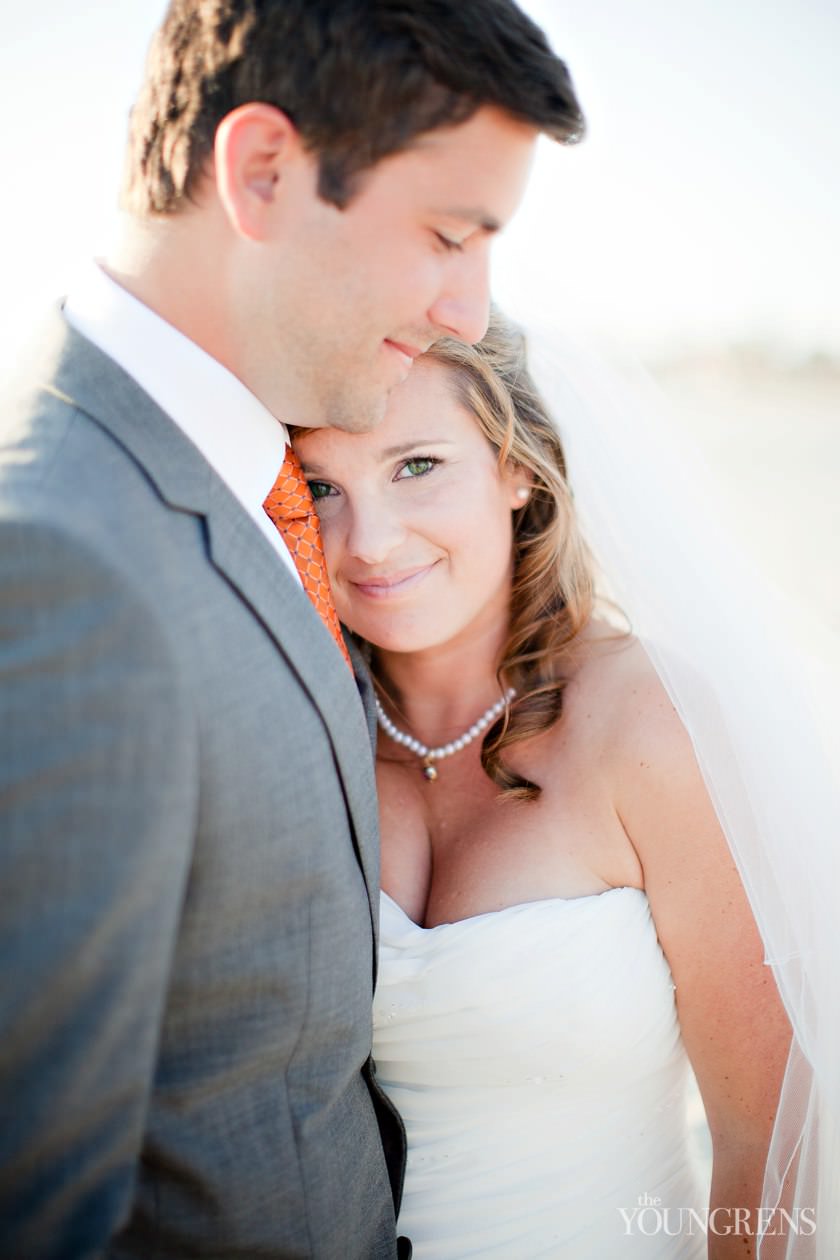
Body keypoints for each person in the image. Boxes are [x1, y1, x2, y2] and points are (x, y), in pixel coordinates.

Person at [0, 4, 586, 1257]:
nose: (469, 313)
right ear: (262, 171)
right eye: (446, 235)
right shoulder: (60, 557)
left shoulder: (247, 470)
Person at [292, 310, 794, 1258]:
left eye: (416, 466)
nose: (369, 541)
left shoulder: (649, 724)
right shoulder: (307, 732)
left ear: (517, 468)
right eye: (322, 486)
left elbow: (768, 1138)